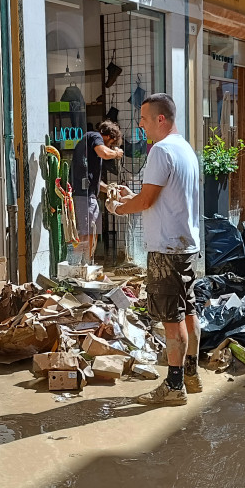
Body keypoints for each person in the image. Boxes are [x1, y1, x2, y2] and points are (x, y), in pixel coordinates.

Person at [106, 94, 201, 405]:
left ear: (161, 119)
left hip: (166, 249)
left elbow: (145, 202)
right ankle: (191, 374)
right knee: (189, 311)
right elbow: (156, 196)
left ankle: (174, 387)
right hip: (186, 246)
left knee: (172, 320)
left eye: (144, 119)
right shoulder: (185, 149)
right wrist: (129, 195)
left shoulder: (160, 151)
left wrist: (118, 207)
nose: (140, 124)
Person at [70, 120, 124, 261]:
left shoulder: (89, 145)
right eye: (111, 144)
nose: (111, 147)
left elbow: (95, 181)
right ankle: (80, 266)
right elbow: (104, 153)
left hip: (87, 194)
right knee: (85, 233)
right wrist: (116, 153)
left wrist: (109, 189)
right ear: (109, 137)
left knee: (90, 232)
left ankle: (86, 264)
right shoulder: (95, 136)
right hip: (84, 196)